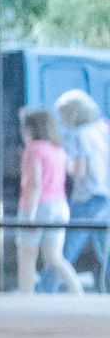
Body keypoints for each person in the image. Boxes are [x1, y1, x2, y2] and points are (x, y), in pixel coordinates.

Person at [16, 107, 83, 294]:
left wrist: (29, 214)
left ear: (30, 129)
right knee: (54, 256)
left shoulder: (33, 149)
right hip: (60, 206)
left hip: (39, 206)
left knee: (27, 255)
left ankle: (25, 296)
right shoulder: (58, 149)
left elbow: (35, 184)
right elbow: (72, 172)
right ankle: (77, 291)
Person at [57, 90, 109, 293]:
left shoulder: (79, 136)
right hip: (105, 195)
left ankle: (47, 286)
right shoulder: (102, 129)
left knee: (66, 248)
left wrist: (64, 161)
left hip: (86, 196)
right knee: (104, 250)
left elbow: (78, 171)